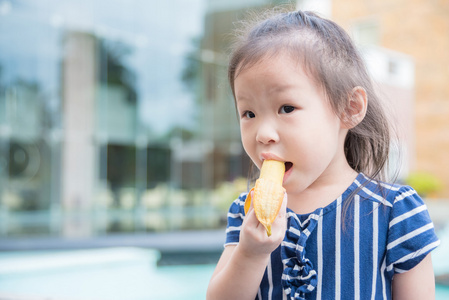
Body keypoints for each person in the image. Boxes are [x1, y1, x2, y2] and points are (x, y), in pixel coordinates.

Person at [206, 8, 440, 300]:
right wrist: (250, 254)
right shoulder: (245, 212)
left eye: (286, 108)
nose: (262, 133)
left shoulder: (394, 212)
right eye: (249, 113)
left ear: (349, 108)